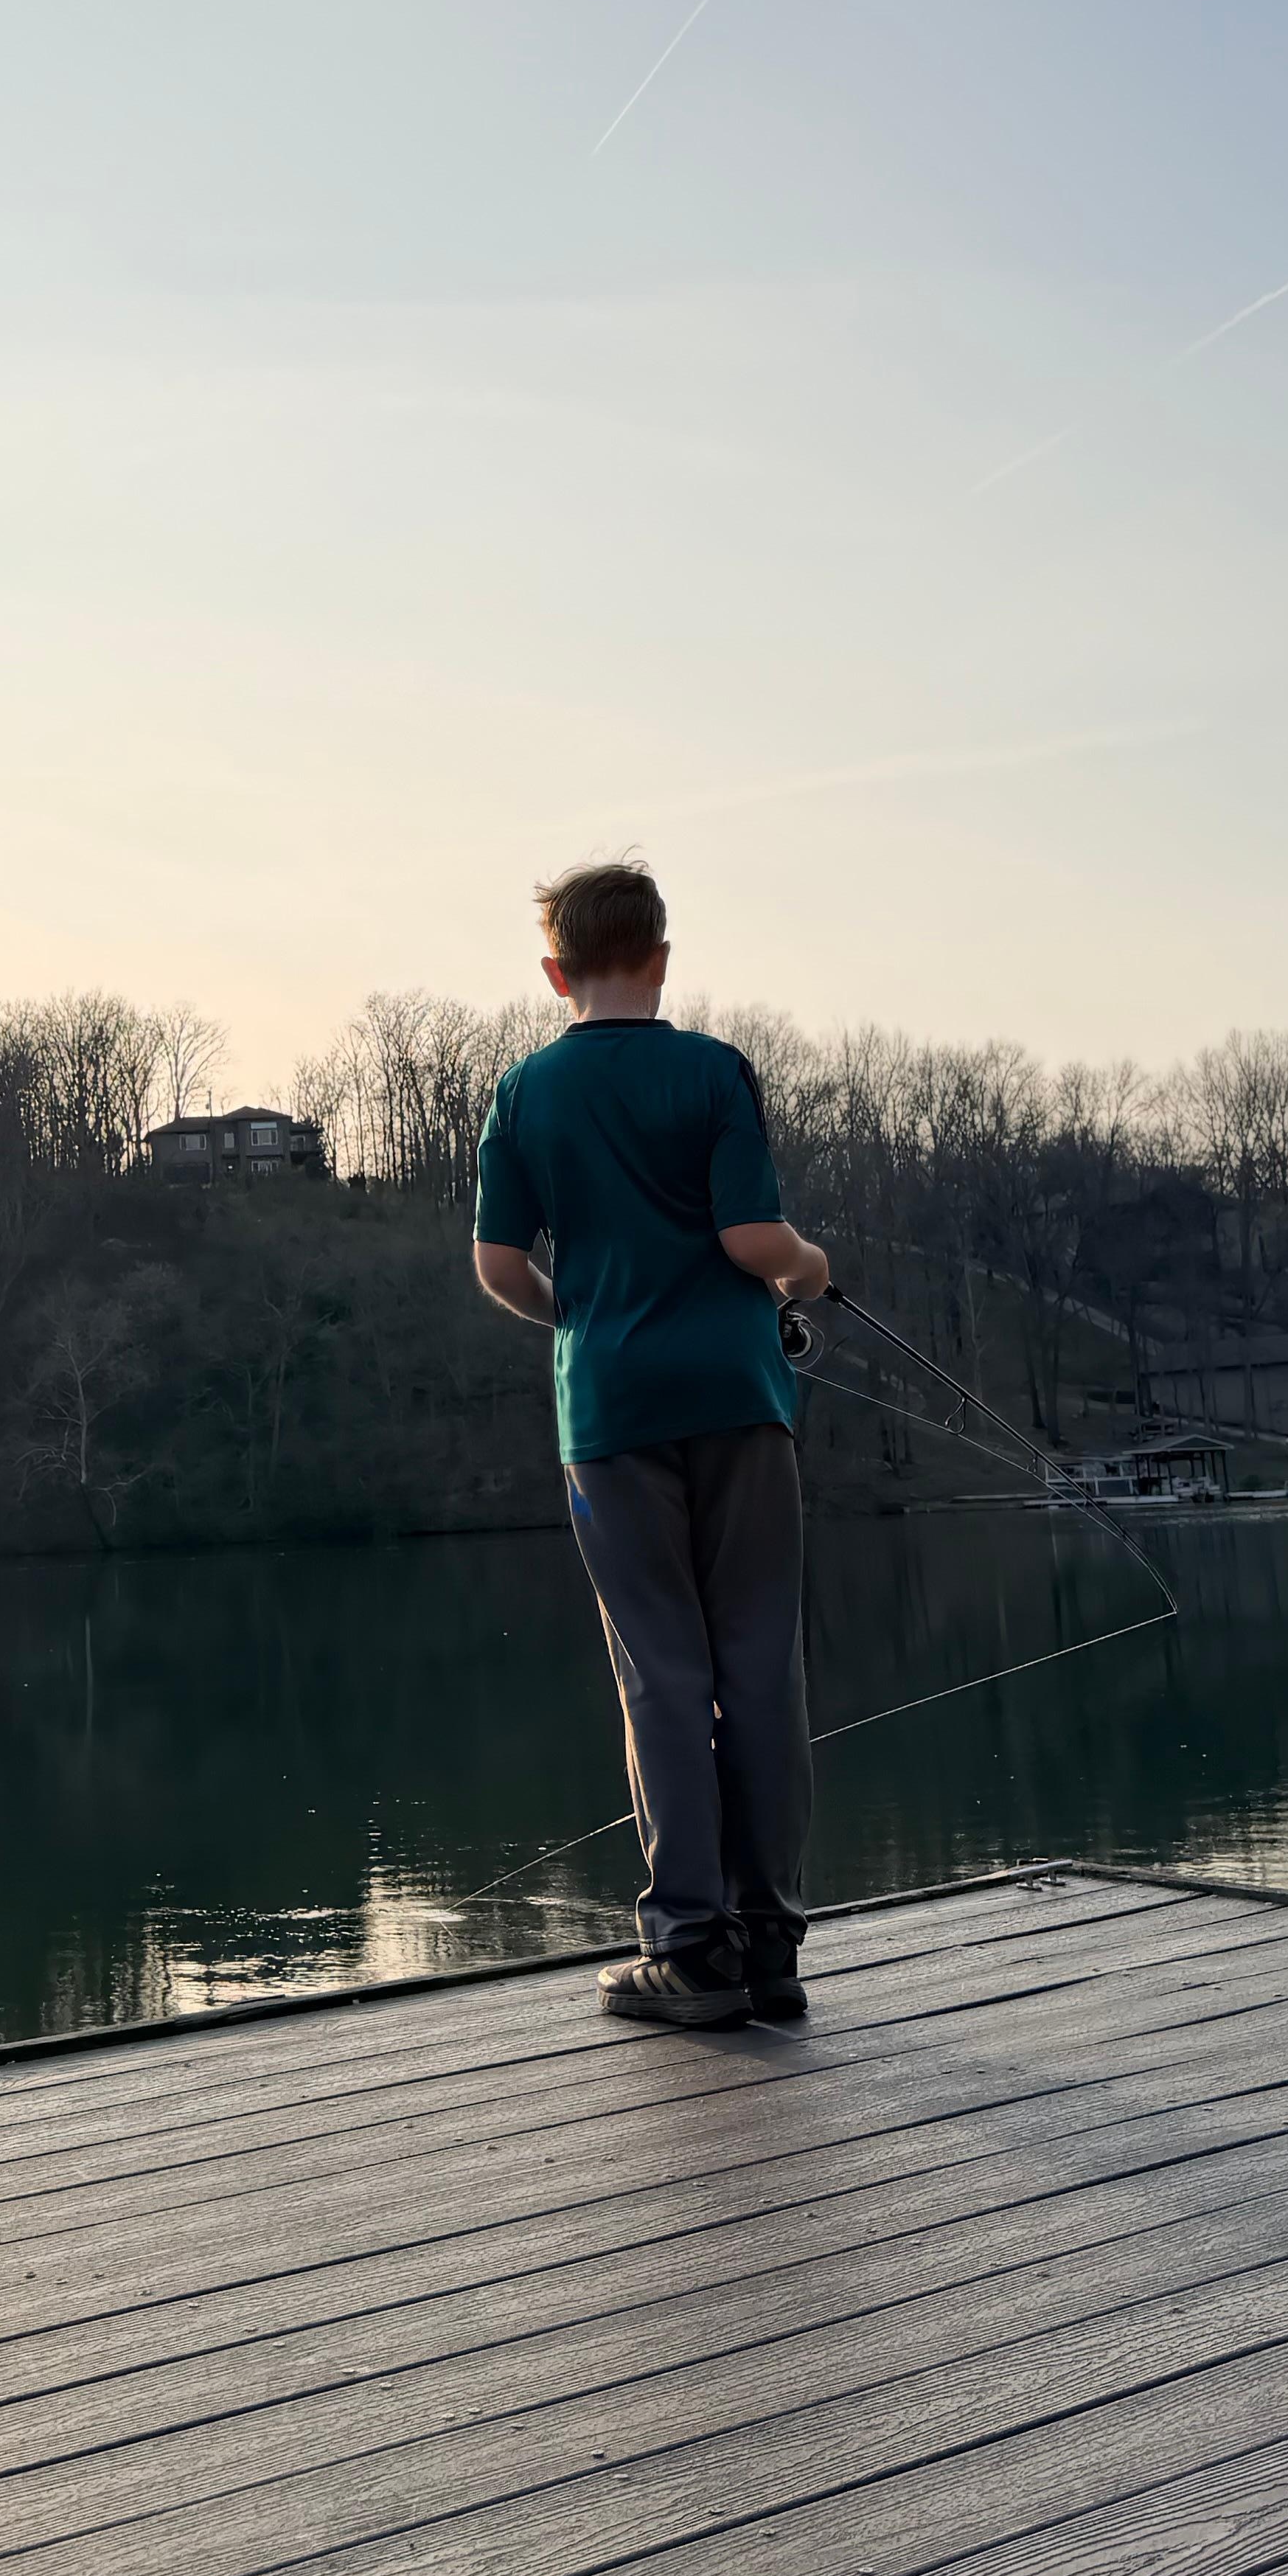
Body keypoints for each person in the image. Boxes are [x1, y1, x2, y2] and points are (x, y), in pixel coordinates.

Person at [471, 858, 830, 2030]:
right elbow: (748, 1237)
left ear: (554, 971)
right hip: (739, 1400)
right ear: (663, 959)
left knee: (662, 1677)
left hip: (612, 1417)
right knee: (759, 1665)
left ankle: (691, 1949)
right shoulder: (715, 1072)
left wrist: (571, 1315)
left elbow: (500, 1267)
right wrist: (809, 1268)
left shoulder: (523, 1093)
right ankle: (771, 1945)